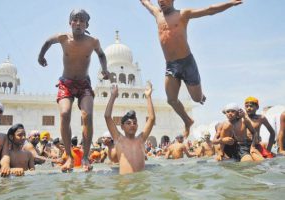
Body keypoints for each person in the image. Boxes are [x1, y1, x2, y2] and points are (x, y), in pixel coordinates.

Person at [140, 0, 242, 138]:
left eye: (164, 0)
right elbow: (145, 2)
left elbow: (209, 10)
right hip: (171, 65)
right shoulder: (157, 14)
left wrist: (230, 3)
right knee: (171, 100)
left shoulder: (183, 14)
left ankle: (200, 94)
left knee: (196, 99)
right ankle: (187, 120)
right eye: (159, 1)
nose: (161, 3)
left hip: (187, 63)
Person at [38, 9, 110, 172]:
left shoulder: (93, 41)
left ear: (86, 24)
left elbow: (101, 55)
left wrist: (105, 69)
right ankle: (69, 157)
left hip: (84, 84)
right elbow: (47, 42)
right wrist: (41, 56)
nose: (78, 23)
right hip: (66, 83)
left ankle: (85, 157)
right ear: (70, 23)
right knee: (64, 114)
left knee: (88, 115)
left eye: (82, 21)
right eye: (75, 20)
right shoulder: (63, 38)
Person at [104, 82, 155, 175]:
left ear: (137, 126)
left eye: (135, 123)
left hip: (141, 183)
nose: (132, 125)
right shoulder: (119, 139)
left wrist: (148, 97)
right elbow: (107, 116)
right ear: (122, 127)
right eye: (128, 123)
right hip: (125, 184)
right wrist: (113, 96)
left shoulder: (141, 139)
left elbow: (151, 119)